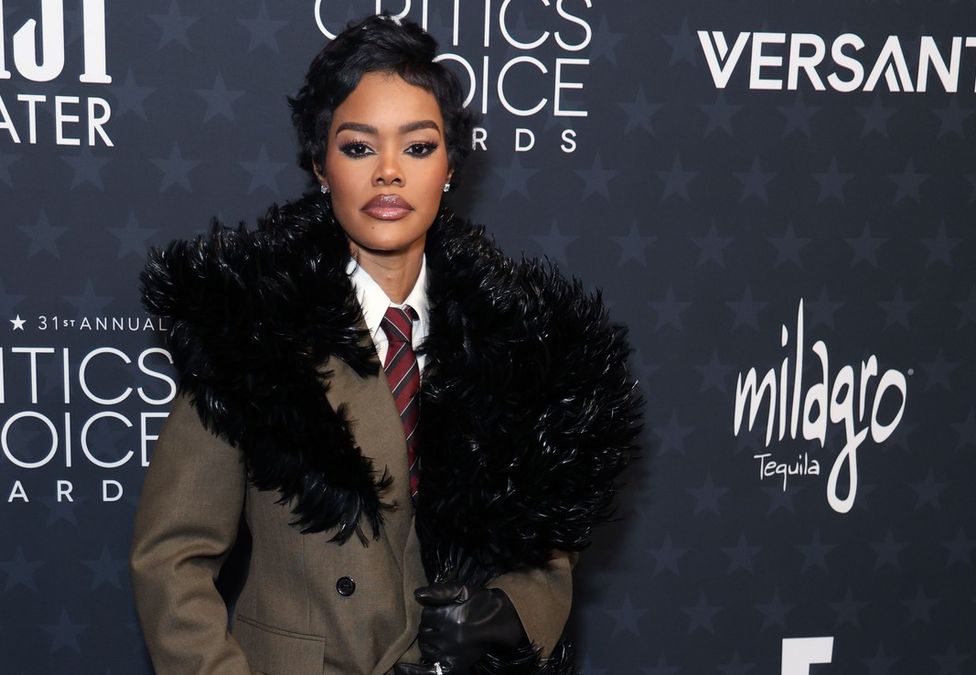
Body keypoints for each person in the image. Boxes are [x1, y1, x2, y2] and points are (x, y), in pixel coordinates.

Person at [130, 14, 643, 675]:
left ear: (450, 167)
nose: (390, 173)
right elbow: (172, 558)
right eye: (359, 148)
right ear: (320, 166)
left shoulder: (516, 339)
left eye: (419, 147)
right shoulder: (251, 330)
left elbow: (546, 535)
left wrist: (507, 611)